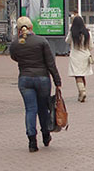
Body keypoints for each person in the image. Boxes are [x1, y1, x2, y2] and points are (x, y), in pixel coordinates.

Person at [10, 16, 61, 152]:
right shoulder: (41, 41)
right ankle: (46, 134)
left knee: (30, 110)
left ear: (18, 29)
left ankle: (32, 141)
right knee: (43, 108)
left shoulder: (15, 44)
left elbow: (14, 57)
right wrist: (57, 81)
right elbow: (50, 63)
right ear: (31, 27)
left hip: (25, 79)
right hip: (42, 79)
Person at [66, 16, 93, 103]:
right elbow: (91, 46)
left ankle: (82, 91)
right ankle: (82, 91)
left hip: (75, 55)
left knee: (78, 75)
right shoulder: (87, 33)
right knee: (83, 75)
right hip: (85, 55)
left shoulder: (72, 32)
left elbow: (67, 41)